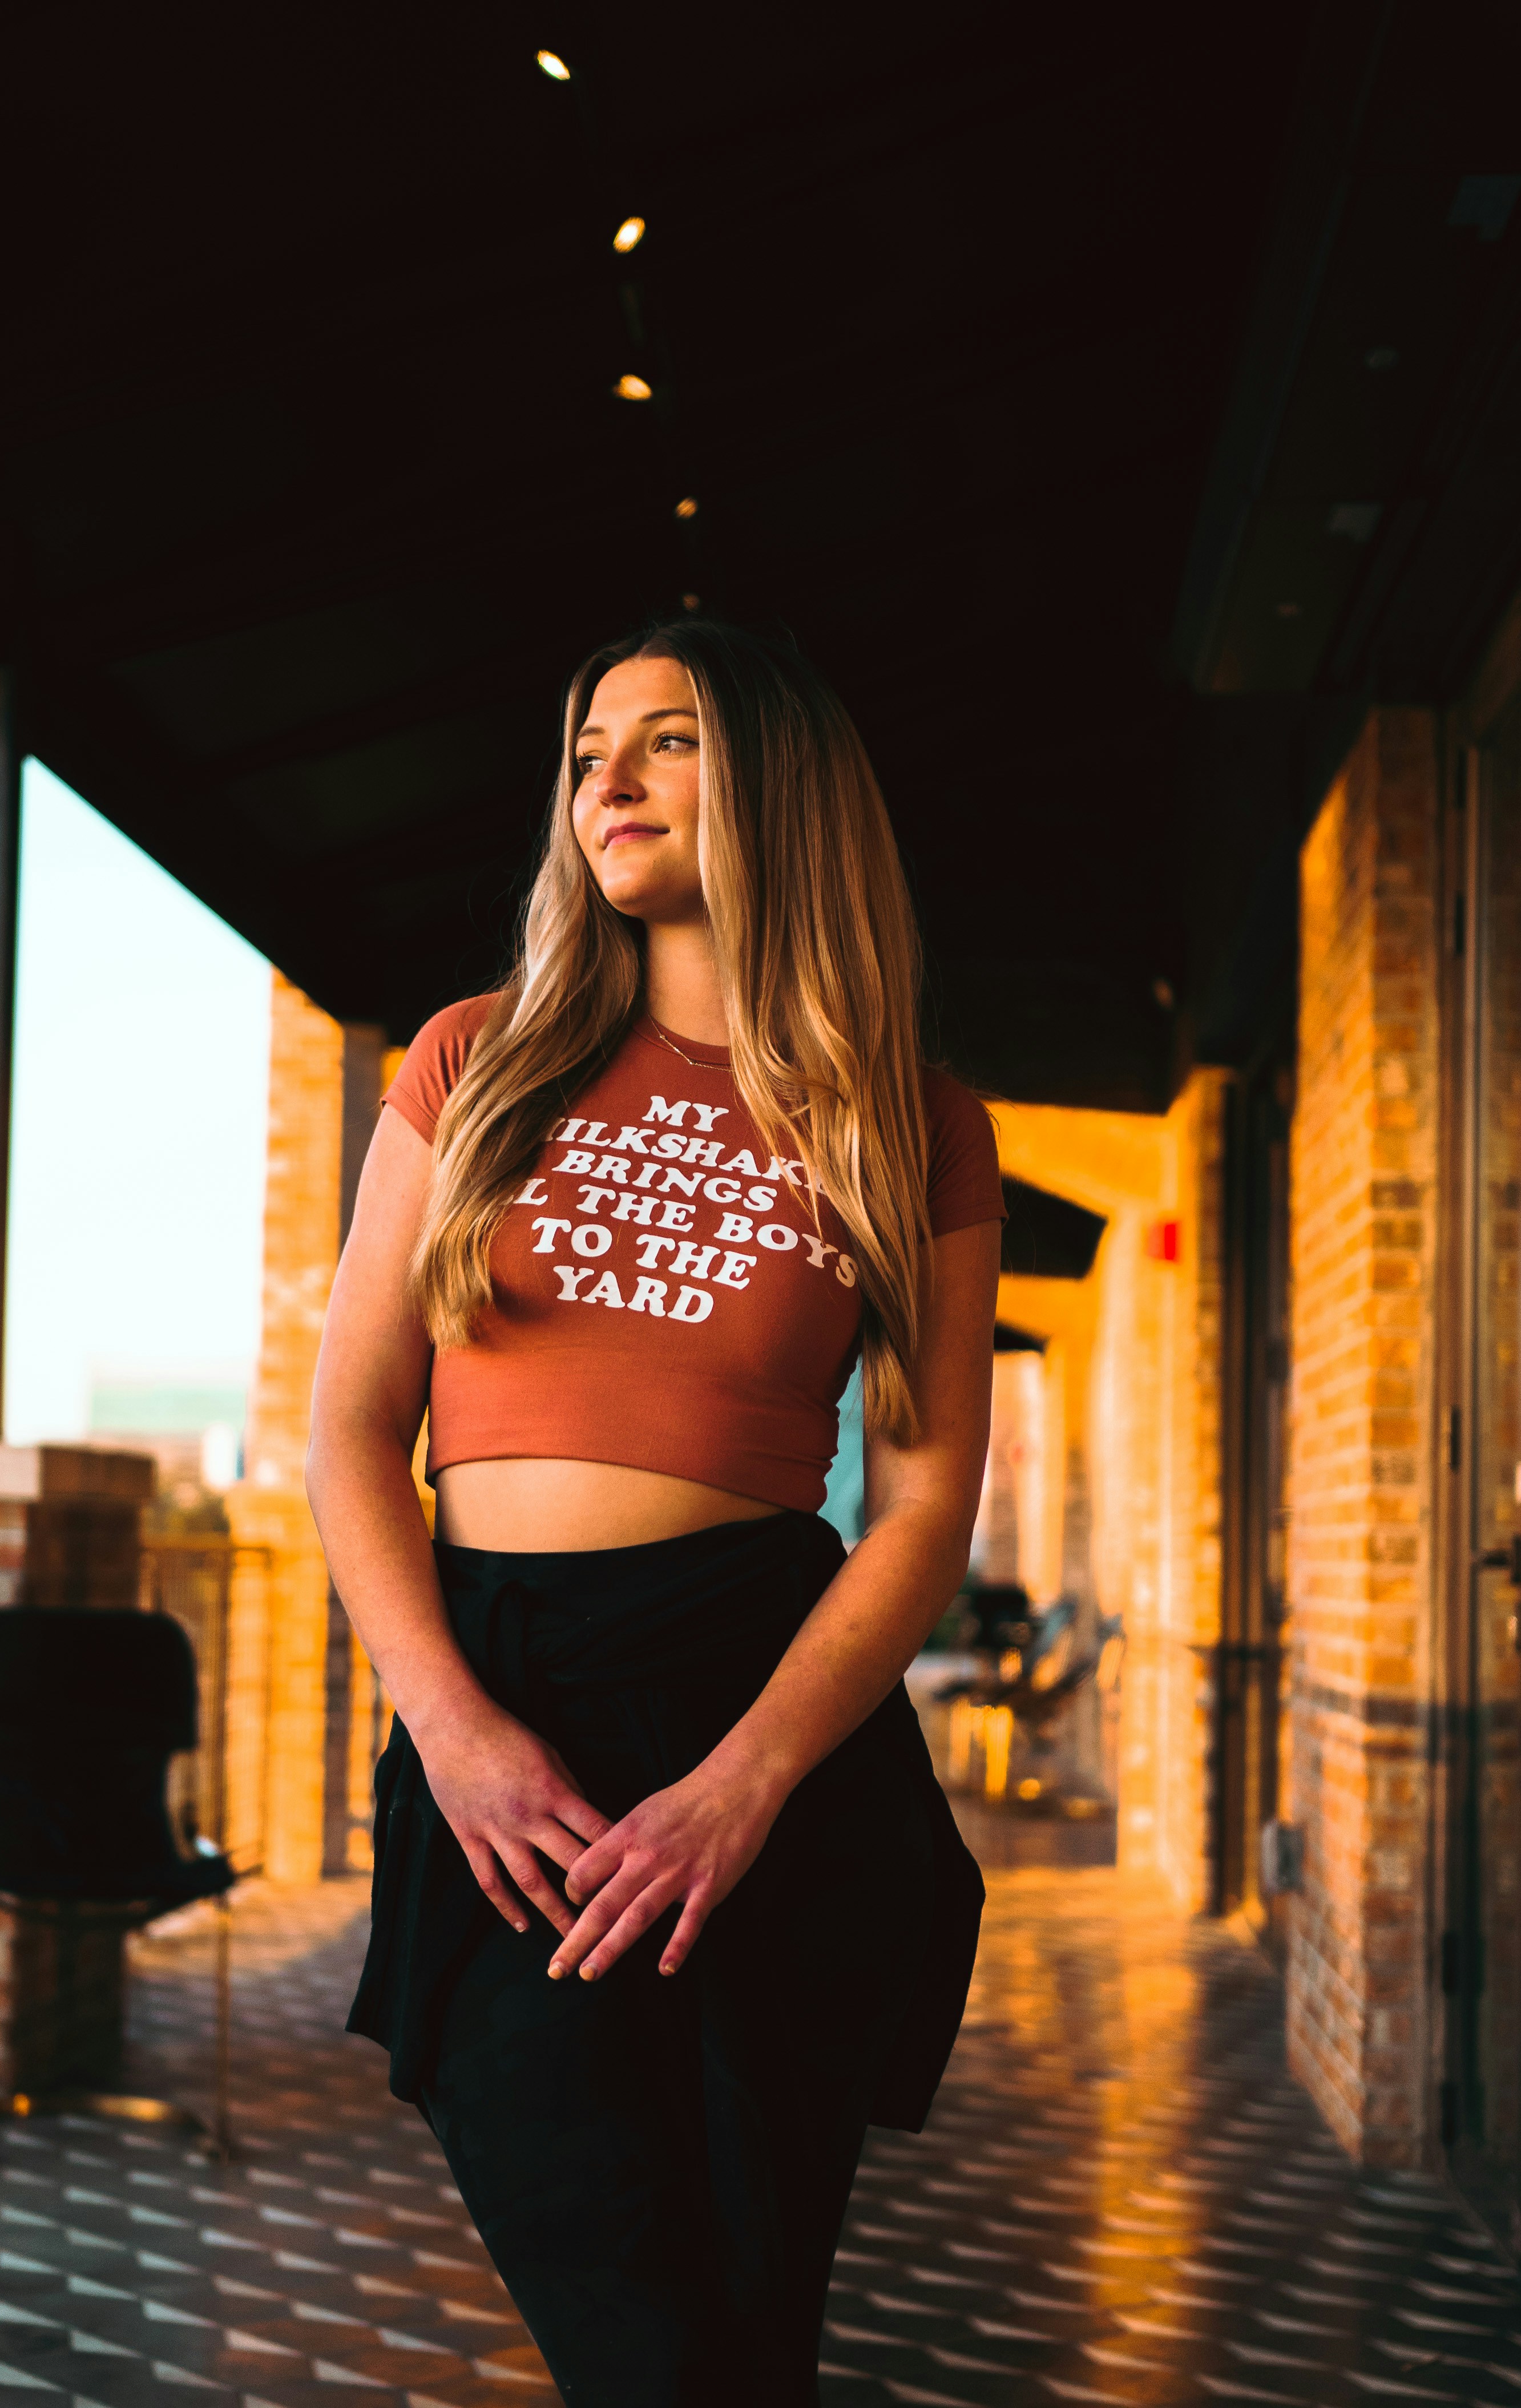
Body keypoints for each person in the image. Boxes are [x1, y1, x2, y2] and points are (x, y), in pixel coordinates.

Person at [305, 619, 1002, 2406]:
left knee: (748, 2332)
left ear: (776, 781)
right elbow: (351, 1429)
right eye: (586, 747)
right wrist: (449, 1725)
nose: (605, 778)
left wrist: (750, 1777)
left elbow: (924, 1496)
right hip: (505, 1713)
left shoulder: (906, 1116)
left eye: (667, 739)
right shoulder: (475, 1062)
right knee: (636, 2317)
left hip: (760, 1710)